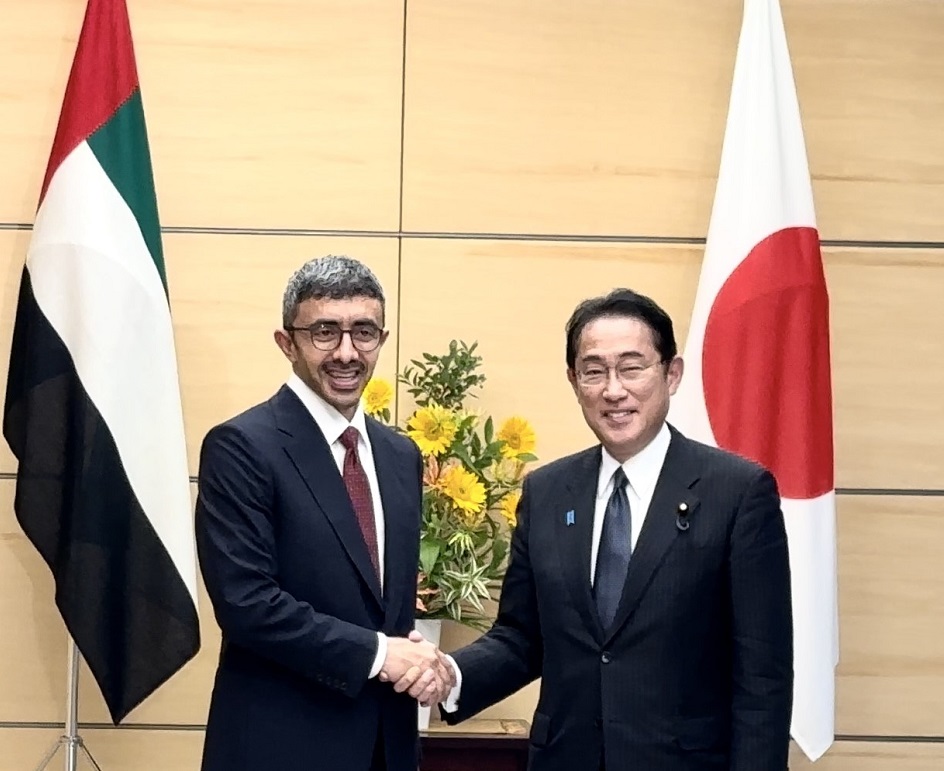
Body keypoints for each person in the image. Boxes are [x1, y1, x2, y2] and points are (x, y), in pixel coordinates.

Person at [406, 287, 794, 770]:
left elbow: (763, 678)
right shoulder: (548, 492)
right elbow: (522, 637)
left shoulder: (737, 493)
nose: (613, 390)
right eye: (594, 371)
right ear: (574, 381)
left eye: (632, 367)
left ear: (671, 374)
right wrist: (450, 673)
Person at [195, 255, 453, 771]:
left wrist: (427, 663)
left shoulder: (401, 455)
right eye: (324, 332)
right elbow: (248, 604)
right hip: (280, 746)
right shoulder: (241, 446)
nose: (346, 352)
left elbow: (387, 611)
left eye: (364, 332)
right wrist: (382, 655)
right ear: (287, 342)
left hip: (388, 746)